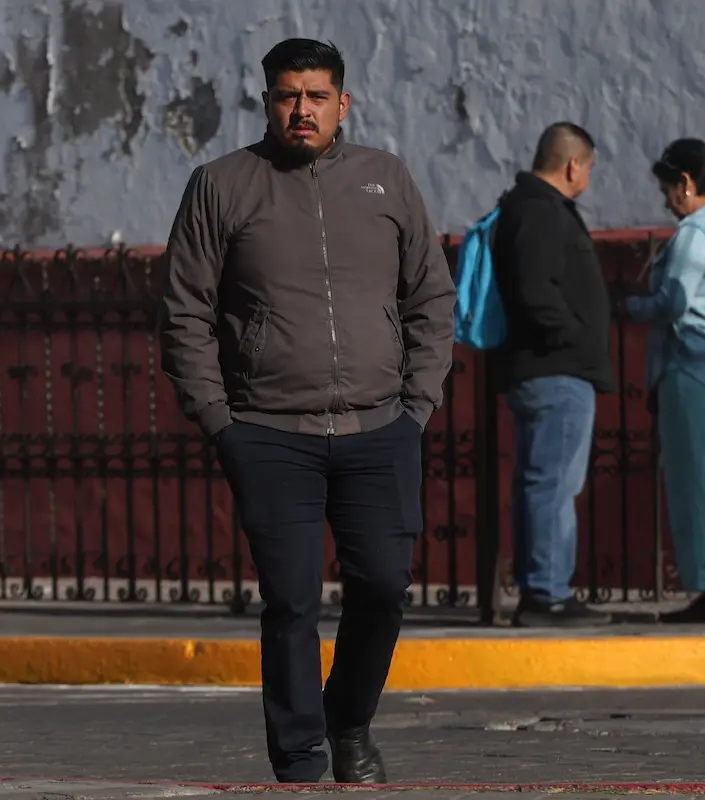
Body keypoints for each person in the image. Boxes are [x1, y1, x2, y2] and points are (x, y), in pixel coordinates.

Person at [158, 39, 455, 783]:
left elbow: (429, 298)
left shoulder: (385, 180)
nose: (302, 110)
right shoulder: (222, 185)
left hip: (381, 426)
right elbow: (184, 312)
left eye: (317, 96)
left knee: (385, 586)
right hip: (267, 432)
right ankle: (298, 760)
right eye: (288, 95)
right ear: (266, 101)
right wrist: (220, 420)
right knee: (290, 600)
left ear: (342, 103)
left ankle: (348, 723)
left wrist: (416, 405)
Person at [622, 139, 705, 624]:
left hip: (692, 367)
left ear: (686, 183)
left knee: (695, 482)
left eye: (667, 187)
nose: (665, 199)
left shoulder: (694, 234)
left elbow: (672, 303)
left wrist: (630, 305)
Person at [491, 122, 617, 627]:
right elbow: (536, 292)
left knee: (542, 482)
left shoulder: (529, 209)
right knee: (553, 484)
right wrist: (577, 338)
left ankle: (541, 588)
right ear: (573, 165)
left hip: (545, 368)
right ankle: (546, 593)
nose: (587, 178)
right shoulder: (540, 212)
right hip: (556, 370)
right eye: (587, 168)